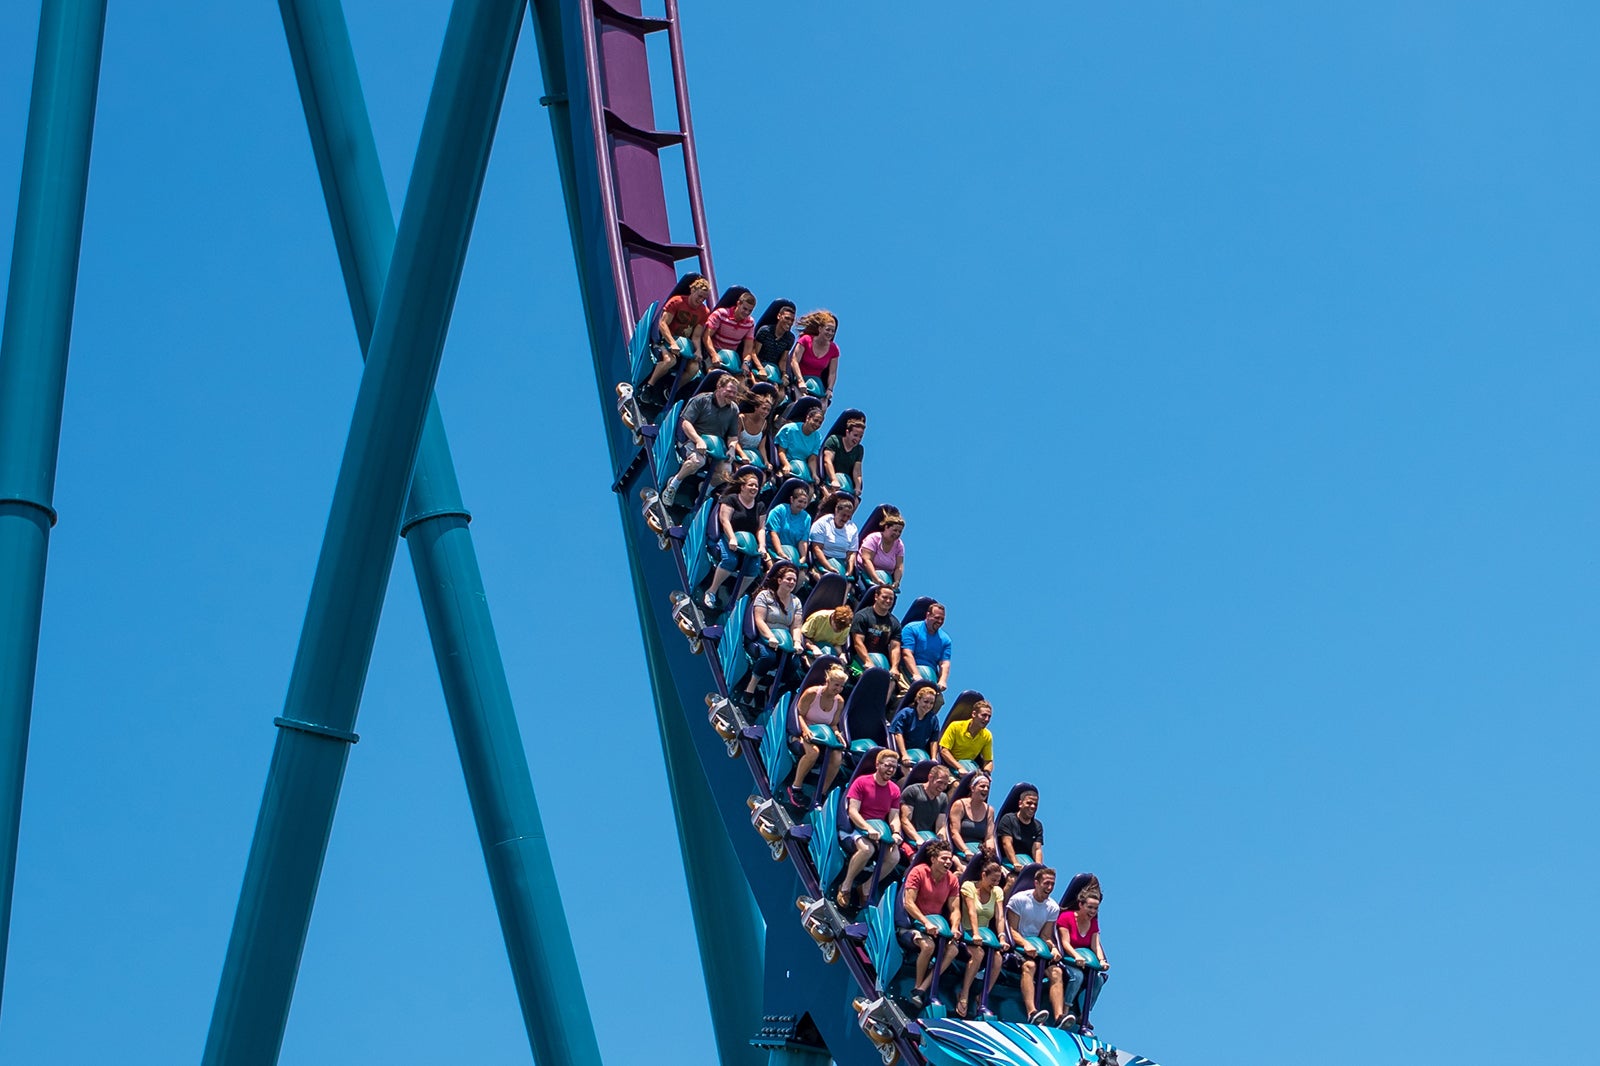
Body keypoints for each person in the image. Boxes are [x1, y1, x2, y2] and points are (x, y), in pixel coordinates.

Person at [662, 372, 745, 506]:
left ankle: (705, 489)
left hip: (715, 446)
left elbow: (733, 436)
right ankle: (673, 484)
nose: (732, 395)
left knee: (726, 472)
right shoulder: (701, 400)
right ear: (719, 387)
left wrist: (731, 449)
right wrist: (698, 440)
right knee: (697, 461)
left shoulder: (733, 409)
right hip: (692, 439)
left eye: (735, 393)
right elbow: (686, 423)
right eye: (729, 391)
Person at [836, 749, 903, 908]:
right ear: (878, 765)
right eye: (887, 765)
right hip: (856, 827)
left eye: (894, 767)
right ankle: (845, 886)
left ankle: (865, 887)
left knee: (894, 857)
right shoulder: (862, 782)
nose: (890, 770)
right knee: (867, 849)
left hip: (879, 830)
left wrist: (896, 833)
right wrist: (867, 828)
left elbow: (894, 816)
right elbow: (852, 811)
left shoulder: (894, 790)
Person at [899, 840, 962, 1010]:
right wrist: (925, 922)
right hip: (912, 926)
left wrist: (955, 927)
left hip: (936, 927)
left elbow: (955, 909)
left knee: (953, 950)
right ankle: (917, 985)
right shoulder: (918, 872)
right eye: (944, 858)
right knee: (928, 946)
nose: (948, 862)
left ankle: (922, 988)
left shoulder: (951, 880)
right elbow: (908, 903)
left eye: (950, 859)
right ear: (933, 859)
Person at [1005, 867, 1071, 1027]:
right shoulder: (1019, 900)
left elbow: (1046, 936)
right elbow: (1011, 929)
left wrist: (1053, 948)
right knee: (1029, 966)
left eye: (1052, 884)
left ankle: (1059, 1017)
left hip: (1038, 947)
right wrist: (1024, 943)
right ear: (1036, 883)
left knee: (1056, 972)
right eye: (1046, 883)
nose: (1049, 888)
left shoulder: (1052, 907)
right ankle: (1032, 1012)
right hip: (1018, 947)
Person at [786, 664, 847, 808]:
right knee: (814, 752)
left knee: (837, 757)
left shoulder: (839, 701)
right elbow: (798, 715)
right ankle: (795, 787)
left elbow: (833, 724)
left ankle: (821, 792)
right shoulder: (812, 693)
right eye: (836, 685)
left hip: (824, 736)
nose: (838, 689)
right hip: (803, 731)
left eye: (842, 687)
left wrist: (837, 733)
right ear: (828, 681)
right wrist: (805, 730)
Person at [702, 470, 766, 607]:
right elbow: (725, 520)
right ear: (743, 487)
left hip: (748, 544)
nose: (754, 488)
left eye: (756, 486)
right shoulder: (731, 499)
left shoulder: (760, 506)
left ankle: (735, 598)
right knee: (730, 560)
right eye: (751, 485)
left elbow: (761, 528)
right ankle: (711, 591)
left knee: (754, 567)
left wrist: (762, 545)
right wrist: (732, 538)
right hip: (728, 538)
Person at [1055, 875, 1109, 1035]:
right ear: (1081, 904)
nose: (1093, 912)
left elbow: (1095, 944)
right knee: (1076, 977)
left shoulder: (1093, 923)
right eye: (1090, 907)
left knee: (1098, 980)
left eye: (1095, 909)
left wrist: (1101, 960)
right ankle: (1065, 1010)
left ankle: (1083, 1014)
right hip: (1069, 959)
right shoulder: (1066, 918)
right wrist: (1076, 956)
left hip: (1085, 962)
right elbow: (1065, 943)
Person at [956, 858, 1007, 1019]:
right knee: (978, 954)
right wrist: (976, 933)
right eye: (992, 880)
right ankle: (963, 995)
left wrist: (1002, 937)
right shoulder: (969, 886)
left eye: (998, 881)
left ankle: (982, 997)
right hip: (968, 932)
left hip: (986, 935)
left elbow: (999, 917)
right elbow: (971, 911)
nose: (995, 884)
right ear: (983, 875)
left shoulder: (997, 892)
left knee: (998, 959)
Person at [747, 562, 804, 695]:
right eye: (788, 579)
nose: (791, 582)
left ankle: (773, 688)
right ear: (779, 580)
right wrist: (770, 636)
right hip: (765, 636)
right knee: (768, 657)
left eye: (794, 580)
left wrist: (797, 642)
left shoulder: (796, 602)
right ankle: (750, 687)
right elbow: (759, 620)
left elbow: (796, 626)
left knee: (795, 663)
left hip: (785, 640)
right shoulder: (765, 596)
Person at [650, 274, 710, 390]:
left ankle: (672, 389)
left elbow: (696, 336)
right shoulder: (677, 301)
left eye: (704, 299)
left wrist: (698, 351)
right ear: (693, 290)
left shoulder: (704, 311)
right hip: (666, 341)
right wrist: (672, 342)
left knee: (694, 368)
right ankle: (650, 385)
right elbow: (663, 324)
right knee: (669, 361)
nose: (701, 300)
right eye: (700, 296)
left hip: (684, 346)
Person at [784, 309, 840, 401]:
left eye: (832, 331)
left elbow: (832, 373)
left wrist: (830, 389)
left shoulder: (834, 349)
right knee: (799, 400)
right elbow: (794, 361)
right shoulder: (805, 340)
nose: (830, 333)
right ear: (820, 329)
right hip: (799, 379)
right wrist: (800, 381)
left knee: (822, 405)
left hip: (816, 382)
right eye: (827, 330)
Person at [703, 286, 758, 372]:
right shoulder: (721, 314)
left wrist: (745, 363)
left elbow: (748, 348)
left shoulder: (750, 323)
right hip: (713, 352)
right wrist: (714, 355)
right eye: (745, 309)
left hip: (731, 358)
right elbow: (706, 336)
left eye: (750, 311)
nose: (746, 313)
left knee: (740, 382)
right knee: (713, 373)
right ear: (738, 303)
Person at [887, 682, 944, 766]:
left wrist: (933, 758)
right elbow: (898, 734)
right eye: (926, 702)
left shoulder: (933, 719)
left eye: (931, 703)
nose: (928, 705)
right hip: (904, 753)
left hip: (920, 754)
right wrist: (904, 754)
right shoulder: (906, 713)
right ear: (918, 700)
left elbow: (933, 740)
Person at [849, 585, 902, 675]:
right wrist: (868, 661)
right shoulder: (862, 616)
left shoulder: (894, 623)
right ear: (876, 597)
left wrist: (894, 667)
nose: (888, 601)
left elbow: (895, 648)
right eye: (884, 597)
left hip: (881, 661)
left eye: (891, 599)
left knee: (892, 680)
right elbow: (858, 642)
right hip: (860, 659)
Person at [899, 602, 952, 691]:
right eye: (936, 618)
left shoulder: (945, 639)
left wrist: (942, 681)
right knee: (906, 693)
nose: (939, 621)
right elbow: (907, 653)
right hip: (908, 672)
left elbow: (944, 664)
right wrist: (915, 674)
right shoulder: (911, 628)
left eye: (942, 619)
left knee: (937, 701)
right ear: (928, 615)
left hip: (930, 676)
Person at [897, 761, 952, 847]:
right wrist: (917, 838)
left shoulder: (943, 798)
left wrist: (942, 840)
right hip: (911, 837)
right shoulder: (913, 791)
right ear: (930, 777)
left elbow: (940, 826)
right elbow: (905, 820)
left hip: (929, 837)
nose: (942, 787)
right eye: (940, 782)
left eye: (945, 784)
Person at [774, 398, 826, 482]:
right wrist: (786, 464)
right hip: (787, 464)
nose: (817, 424)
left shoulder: (817, 437)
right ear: (808, 418)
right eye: (815, 420)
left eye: (820, 423)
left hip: (802, 469)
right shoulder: (790, 429)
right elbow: (781, 451)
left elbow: (812, 459)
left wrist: (814, 474)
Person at [809, 491, 859, 577]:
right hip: (822, 561)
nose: (845, 519)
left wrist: (849, 570)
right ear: (836, 511)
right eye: (843, 515)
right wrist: (828, 567)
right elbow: (817, 548)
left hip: (841, 563)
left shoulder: (852, 528)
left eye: (848, 516)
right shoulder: (823, 522)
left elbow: (852, 553)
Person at [948, 772, 996, 859]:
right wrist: (966, 850)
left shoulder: (990, 810)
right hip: (960, 850)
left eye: (988, 787)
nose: (985, 789)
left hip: (979, 851)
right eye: (982, 786)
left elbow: (989, 837)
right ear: (972, 788)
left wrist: (989, 853)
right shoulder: (959, 805)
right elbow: (954, 832)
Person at [763, 481, 814, 562]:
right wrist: (780, 552)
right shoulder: (779, 510)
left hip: (792, 553)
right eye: (800, 501)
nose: (802, 505)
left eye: (805, 503)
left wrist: (803, 557)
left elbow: (803, 540)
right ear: (792, 499)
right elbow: (773, 533)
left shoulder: (807, 517)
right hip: (773, 550)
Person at [939, 699, 994, 774]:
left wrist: (987, 773)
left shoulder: (987, 735)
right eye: (984, 715)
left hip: (969, 767)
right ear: (974, 714)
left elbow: (988, 761)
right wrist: (959, 767)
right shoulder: (955, 726)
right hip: (949, 765)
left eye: (989, 717)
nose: (987, 719)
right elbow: (944, 751)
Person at [750, 299, 796, 386]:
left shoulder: (790, 338)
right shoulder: (765, 331)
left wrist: (783, 374)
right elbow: (754, 353)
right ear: (779, 316)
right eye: (787, 318)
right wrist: (761, 369)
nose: (789, 322)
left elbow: (783, 360)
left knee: (781, 391)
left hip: (773, 369)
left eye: (792, 320)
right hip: (759, 366)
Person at [820, 408, 866, 495]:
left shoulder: (859, 449)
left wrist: (857, 487)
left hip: (846, 482)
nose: (858, 439)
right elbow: (827, 461)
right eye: (855, 435)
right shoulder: (834, 440)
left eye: (860, 437)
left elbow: (857, 471)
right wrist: (834, 480)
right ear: (847, 432)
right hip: (831, 479)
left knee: (854, 500)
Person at [997, 786, 1045, 869]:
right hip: (1009, 861)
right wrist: (1015, 863)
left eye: (1035, 804)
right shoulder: (1008, 819)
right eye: (1029, 803)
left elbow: (1037, 849)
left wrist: (1038, 868)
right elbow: (1006, 843)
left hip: (1027, 861)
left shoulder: (1037, 826)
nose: (1032, 807)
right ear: (1020, 804)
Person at [857, 510, 905, 588]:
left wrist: (896, 581)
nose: (897, 534)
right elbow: (866, 560)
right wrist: (875, 578)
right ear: (886, 527)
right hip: (864, 574)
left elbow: (899, 567)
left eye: (900, 532)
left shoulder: (899, 545)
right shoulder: (874, 538)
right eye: (895, 530)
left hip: (886, 579)